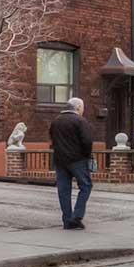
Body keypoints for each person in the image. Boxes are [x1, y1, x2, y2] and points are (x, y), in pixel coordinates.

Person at [48, 97, 96, 230]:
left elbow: (52, 139)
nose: (83, 111)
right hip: (77, 160)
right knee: (86, 186)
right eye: (83, 108)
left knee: (64, 190)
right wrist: (86, 156)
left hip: (60, 160)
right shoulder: (80, 121)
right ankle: (77, 216)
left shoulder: (56, 121)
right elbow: (87, 141)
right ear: (78, 108)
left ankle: (67, 220)